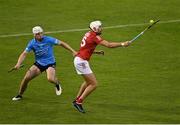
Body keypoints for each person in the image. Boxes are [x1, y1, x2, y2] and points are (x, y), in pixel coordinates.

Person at [73, 21, 131, 113]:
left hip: (79, 60)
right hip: (81, 62)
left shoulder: (88, 33)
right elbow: (109, 45)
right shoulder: (94, 36)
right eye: (99, 27)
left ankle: (76, 99)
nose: (101, 28)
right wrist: (123, 44)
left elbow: (87, 47)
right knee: (94, 84)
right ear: (95, 29)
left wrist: (96, 52)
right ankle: (79, 102)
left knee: (87, 82)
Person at [12, 26, 77, 101]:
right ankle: (20, 95)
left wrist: (73, 51)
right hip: (39, 64)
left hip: (50, 63)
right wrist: (18, 64)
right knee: (26, 78)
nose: (40, 35)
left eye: (41, 33)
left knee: (50, 79)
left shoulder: (49, 39)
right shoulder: (32, 43)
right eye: (38, 34)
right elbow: (24, 54)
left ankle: (57, 83)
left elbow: (62, 43)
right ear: (34, 35)